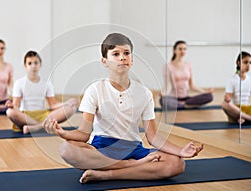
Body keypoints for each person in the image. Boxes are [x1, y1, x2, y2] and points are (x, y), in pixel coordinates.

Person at [43, 33, 203, 183]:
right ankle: (132, 166)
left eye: (126, 53)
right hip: (101, 148)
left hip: (133, 148)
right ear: (104, 61)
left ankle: (108, 174)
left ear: (132, 60)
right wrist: (62, 133)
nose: (122, 58)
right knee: (67, 149)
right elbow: (84, 134)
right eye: (116, 54)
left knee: (176, 164)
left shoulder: (145, 93)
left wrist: (180, 151)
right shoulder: (94, 90)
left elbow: (153, 137)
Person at [6, 50, 78, 134]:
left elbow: (53, 105)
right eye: (30, 63)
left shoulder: (47, 83)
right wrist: (11, 106)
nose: (33, 66)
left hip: (43, 115)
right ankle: (42, 126)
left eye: (36, 63)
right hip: (25, 116)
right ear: (25, 65)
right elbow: (16, 106)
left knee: (71, 108)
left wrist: (66, 103)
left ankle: (36, 127)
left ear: (40, 64)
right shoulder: (19, 83)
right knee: (10, 112)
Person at [160, 40, 213, 109]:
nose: (182, 51)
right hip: (173, 98)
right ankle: (184, 105)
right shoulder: (168, 66)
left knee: (209, 96)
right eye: (180, 49)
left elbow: (192, 86)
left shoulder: (188, 65)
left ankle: (183, 105)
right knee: (163, 100)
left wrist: (205, 91)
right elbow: (168, 85)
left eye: (184, 49)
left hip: (187, 98)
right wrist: (164, 93)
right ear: (174, 50)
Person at [221, 51, 251, 124]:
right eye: (245, 62)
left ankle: (243, 118)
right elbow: (228, 99)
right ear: (238, 63)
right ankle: (247, 118)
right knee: (224, 104)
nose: (248, 65)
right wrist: (227, 99)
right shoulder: (232, 80)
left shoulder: (250, 79)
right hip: (236, 109)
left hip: (247, 109)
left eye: (250, 63)